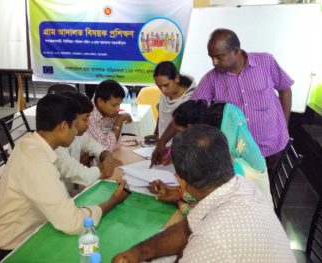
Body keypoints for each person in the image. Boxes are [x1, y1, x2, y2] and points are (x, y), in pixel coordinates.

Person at [112, 124, 295, 263]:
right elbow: (187, 228)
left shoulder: (211, 242)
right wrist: (138, 253)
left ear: (181, 181)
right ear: (230, 160)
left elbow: (203, 238)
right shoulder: (243, 187)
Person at [0, 94, 129, 263]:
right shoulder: (36, 161)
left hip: (30, 234)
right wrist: (113, 201)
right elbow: (72, 222)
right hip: (8, 251)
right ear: (63, 126)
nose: (77, 132)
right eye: (75, 125)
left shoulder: (31, 143)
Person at [152, 28, 293, 182]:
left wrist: (284, 125)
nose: (214, 62)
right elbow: (187, 112)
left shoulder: (266, 62)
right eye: (211, 57)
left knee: (267, 196)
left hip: (272, 146)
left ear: (236, 51)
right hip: (239, 156)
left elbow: (285, 91)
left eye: (219, 57)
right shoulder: (212, 79)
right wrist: (162, 141)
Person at [150, 100, 272, 209]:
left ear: (192, 129)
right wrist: (174, 190)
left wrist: (178, 199)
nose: (179, 137)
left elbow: (203, 203)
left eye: (180, 132)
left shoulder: (234, 171)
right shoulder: (217, 153)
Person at [54, 92, 122, 194]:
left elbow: (96, 146)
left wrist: (107, 157)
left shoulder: (78, 136)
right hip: (64, 197)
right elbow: (83, 176)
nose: (89, 123)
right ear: (71, 120)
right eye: (85, 119)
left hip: (72, 193)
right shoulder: (56, 148)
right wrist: (103, 168)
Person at [144, 61, 195, 145]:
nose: (163, 90)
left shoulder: (191, 98)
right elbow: (162, 114)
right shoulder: (165, 93)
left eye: (166, 85)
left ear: (177, 78)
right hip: (162, 145)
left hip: (180, 149)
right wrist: (157, 134)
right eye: (159, 86)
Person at [87, 79, 132, 152]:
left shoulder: (108, 112)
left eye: (119, 104)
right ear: (100, 102)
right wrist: (119, 121)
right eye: (114, 105)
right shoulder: (88, 117)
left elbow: (116, 145)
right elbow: (104, 150)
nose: (118, 109)